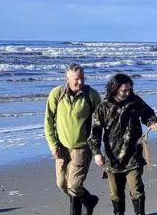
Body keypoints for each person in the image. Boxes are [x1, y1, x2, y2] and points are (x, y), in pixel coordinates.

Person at [88, 73, 157, 215]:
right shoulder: (103, 107)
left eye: (129, 89)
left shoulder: (135, 101)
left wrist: (152, 123)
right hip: (112, 158)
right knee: (116, 193)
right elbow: (94, 132)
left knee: (136, 189)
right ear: (115, 89)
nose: (127, 93)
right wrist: (96, 153)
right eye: (124, 90)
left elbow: (148, 114)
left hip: (134, 155)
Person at [44, 63, 102, 215]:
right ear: (67, 79)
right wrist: (53, 146)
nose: (80, 82)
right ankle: (89, 200)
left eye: (82, 78)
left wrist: (98, 150)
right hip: (61, 148)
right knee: (62, 184)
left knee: (74, 186)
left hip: (82, 148)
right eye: (76, 79)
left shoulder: (91, 95)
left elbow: (100, 123)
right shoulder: (56, 94)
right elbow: (48, 122)